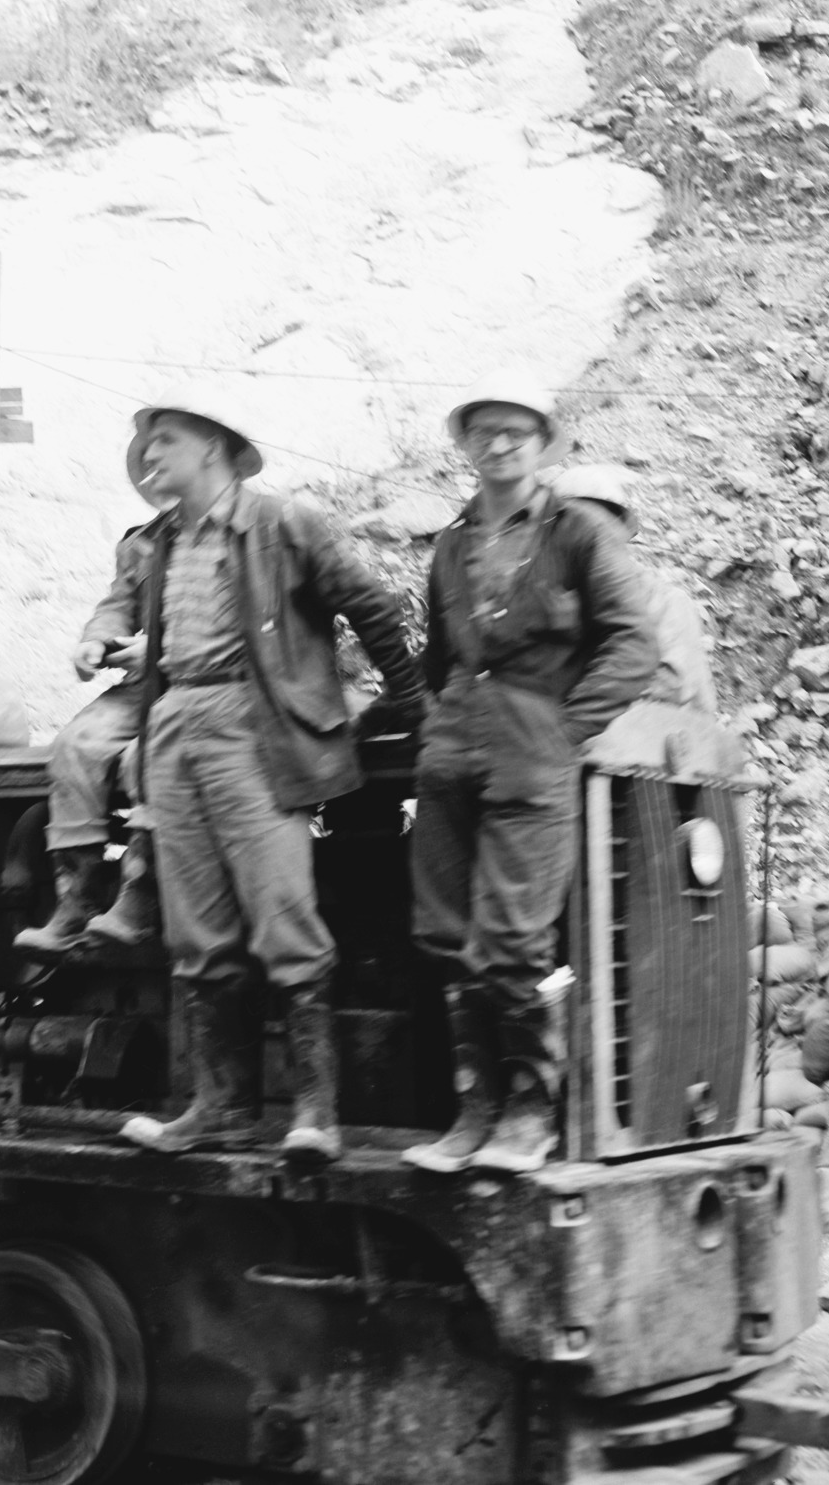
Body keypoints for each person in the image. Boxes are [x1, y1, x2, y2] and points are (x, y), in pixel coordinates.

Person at [105, 388, 428, 1164]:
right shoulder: (158, 541)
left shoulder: (284, 523)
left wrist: (409, 699)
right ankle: (219, 1106)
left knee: (284, 914)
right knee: (196, 929)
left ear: (214, 445)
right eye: (147, 443)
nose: (150, 454)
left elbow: (369, 603)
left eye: (166, 439)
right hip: (175, 721)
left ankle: (315, 1112)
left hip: (254, 726)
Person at [404, 371, 657, 1177]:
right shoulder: (451, 542)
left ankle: (529, 1109)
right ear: (468, 447)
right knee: (444, 936)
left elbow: (632, 646)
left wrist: (564, 731)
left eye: (516, 431)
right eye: (484, 432)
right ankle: (473, 1107)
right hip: (451, 758)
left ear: (543, 445)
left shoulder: (578, 531)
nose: (500, 444)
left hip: (534, 756)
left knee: (512, 942)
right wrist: (427, 719)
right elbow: (438, 661)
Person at [13, 522, 160, 956]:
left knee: (146, 757)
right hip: (143, 685)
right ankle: (79, 898)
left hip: (208, 681)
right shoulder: (141, 541)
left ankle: (142, 893)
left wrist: (157, 647)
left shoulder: (237, 532)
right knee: (76, 745)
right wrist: (95, 641)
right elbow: (119, 601)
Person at [554, 463, 718, 716]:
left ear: (618, 536)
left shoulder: (665, 600)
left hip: (654, 740)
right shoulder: (545, 598)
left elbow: (668, 687)